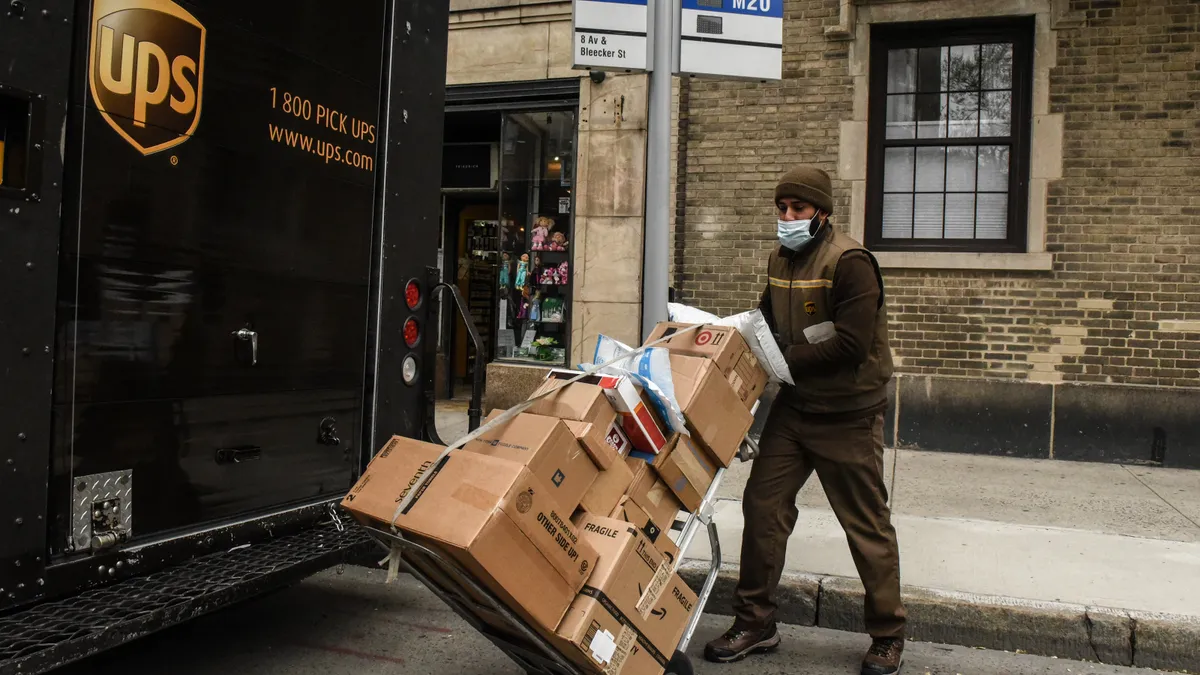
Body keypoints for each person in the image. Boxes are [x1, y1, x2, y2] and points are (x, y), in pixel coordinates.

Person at [704, 166, 906, 675]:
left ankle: (887, 634)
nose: (788, 217)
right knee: (763, 506)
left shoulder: (851, 260)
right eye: (782, 208)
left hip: (849, 414)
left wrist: (783, 360)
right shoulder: (779, 258)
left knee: (865, 524)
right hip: (795, 410)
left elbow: (852, 343)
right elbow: (764, 321)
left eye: (799, 209)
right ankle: (756, 622)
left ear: (822, 211)